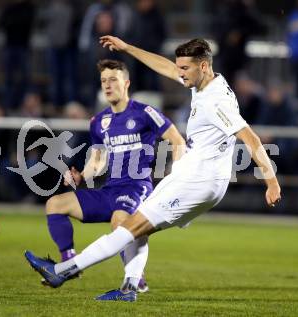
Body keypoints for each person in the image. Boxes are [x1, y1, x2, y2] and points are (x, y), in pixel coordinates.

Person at [24, 38, 281, 302]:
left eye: (185, 69)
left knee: (128, 226)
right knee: (138, 226)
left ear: (203, 66)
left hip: (199, 179)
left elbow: (251, 139)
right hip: (198, 176)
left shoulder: (214, 101)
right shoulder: (206, 82)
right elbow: (167, 68)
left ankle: (61, 271)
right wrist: (128, 49)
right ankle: (129, 288)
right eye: (180, 67)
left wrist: (271, 181)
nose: (179, 74)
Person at [33, 59, 185, 295]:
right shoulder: (98, 122)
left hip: (136, 187)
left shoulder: (145, 113)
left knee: (120, 222)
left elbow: (177, 141)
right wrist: (81, 176)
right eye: (103, 80)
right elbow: (98, 160)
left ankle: (134, 281)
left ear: (126, 83)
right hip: (109, 190)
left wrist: (177, 178)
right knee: (55, 204)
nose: (107, 85)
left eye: (113, 79)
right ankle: (70, 263)